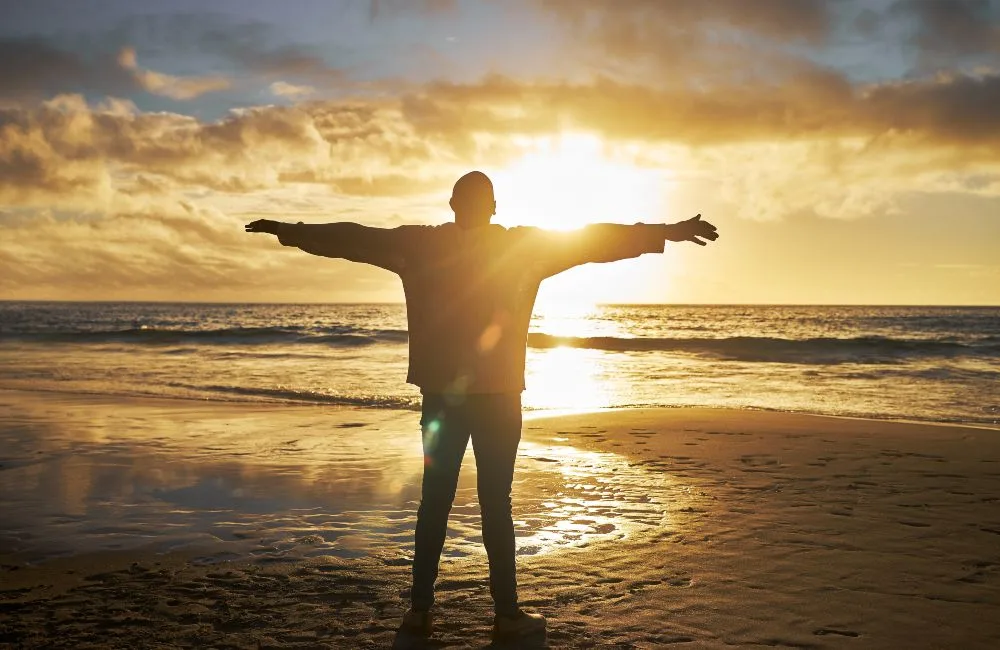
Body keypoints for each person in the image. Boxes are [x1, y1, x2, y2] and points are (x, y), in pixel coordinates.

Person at [245, 171, 718, 641]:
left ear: (454, 205)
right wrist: (664, 232)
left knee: (437, 501)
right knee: (495, 503)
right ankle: (505, 614)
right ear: (492, 207)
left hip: (444, 399)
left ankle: (420, 612)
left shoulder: (422, 246)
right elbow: (594, 241)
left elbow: (353, 239)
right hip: (497, 397)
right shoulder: (519, 248)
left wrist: (291, 231)